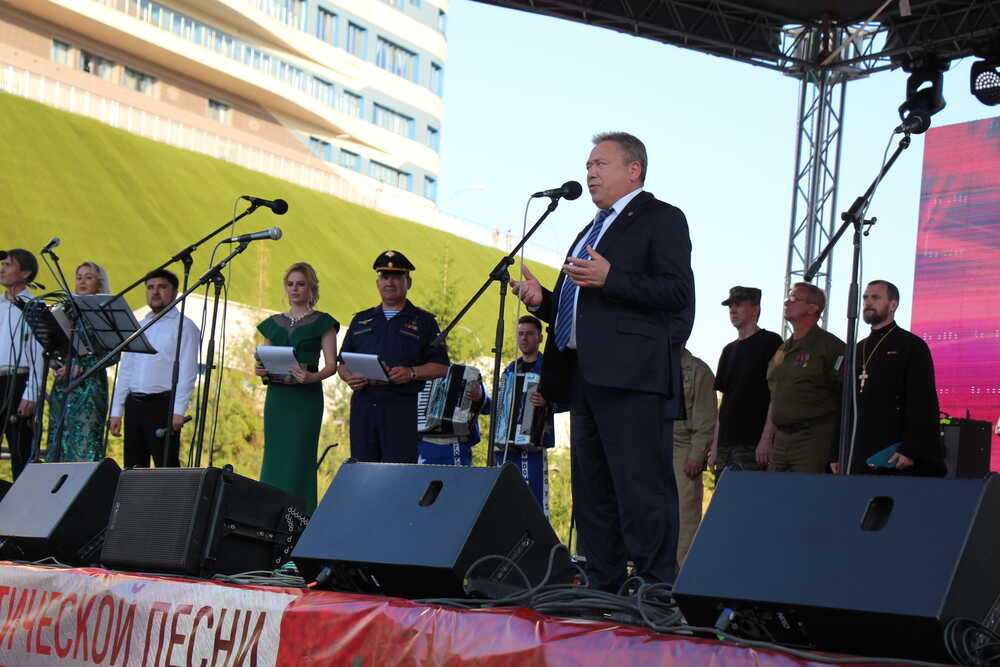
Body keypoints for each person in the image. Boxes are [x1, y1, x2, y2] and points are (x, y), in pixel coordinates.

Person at [511, 132, 694, 591]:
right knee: (592, 491)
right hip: (585, 377)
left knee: (640, 488)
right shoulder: (590, 229)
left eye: (600, 164)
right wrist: (543, 301)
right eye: (588, 165)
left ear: (634, 170)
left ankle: (654, 586)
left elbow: (677, 293)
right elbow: (583, 311)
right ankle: (603, 585)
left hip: (634, 378)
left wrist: (612, 277)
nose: (590, 173)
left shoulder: (661, 218)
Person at [338, 251, 449, 463]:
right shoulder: (361, 320)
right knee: (362, 470)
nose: (389, 283)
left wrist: (412, 372)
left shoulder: (424, 321)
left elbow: (441, 366)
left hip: (400, 407)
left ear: (409, 282)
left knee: (397, 471)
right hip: (363, 406)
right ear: (378, 283)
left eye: (397, 277)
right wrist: (348, 377)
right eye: (384, 277)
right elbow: (342, 364)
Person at [255, 262, 338, 514]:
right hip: (277, 398)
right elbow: (264, 358)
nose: (295, 289)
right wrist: (260, 369)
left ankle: (299, 519)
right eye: (290, 284)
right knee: (274, 456)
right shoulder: (273, 323)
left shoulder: (323, 322)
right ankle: (268, 515)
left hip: (305, 400)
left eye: (301, 284)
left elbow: (332, 365)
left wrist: (313, 377)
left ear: (311, 287)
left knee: (300, 458)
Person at [844, 280, 944, 476]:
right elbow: (845, 403)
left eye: (875, 297)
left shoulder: (912, 346)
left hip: (894, 448)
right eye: (865, 297)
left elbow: (923, 402)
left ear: (893, 305)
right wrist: (837, 452)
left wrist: (910, 449)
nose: (868, 302)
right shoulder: (857, 348)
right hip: (858, 447)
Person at [109, 269, 199, 468]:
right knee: (133, 467)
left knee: (165, 467)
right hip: (134, 404)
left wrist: (178, 410)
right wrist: (117, 410)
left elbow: (187, 372)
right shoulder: (138, 326)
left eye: (162, 287)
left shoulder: (184, 327)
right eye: (150, 287)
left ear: (175, 292)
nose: (155, 292)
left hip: (162, 405)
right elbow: (126, 370)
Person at [762, 282, 845, 474]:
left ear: (812, 308)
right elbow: (776, 394)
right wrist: (766, 438)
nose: (787, 302)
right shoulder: (783, 348)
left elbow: (844, 397)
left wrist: (837, 450)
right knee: (774, 490)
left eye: (794, 298)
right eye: (788, 297)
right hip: (781, 439)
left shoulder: (830, 346)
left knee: (806, 490)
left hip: (812, 439)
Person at [708, 286, 782, 476]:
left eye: (739, 304)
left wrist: (767, 438)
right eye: (730, 306)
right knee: (723, 494)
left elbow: (777, 394)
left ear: (755, 309)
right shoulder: (728, 350)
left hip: (753, 443)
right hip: (726, 444)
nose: (733, 310)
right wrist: (714, 447)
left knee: (751, 494)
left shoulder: (771, 342)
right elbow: (724, 402)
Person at [47, 262, 117, 462]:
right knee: (57, 442)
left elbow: (114, 354)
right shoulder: (66, 311)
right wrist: (57, 365)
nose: (82, 281)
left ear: (99, 283)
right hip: (63, 386)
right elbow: (53, 345)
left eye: (89, 277)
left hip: (89, 387)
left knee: (84, 445)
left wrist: (82, 367)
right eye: (79, 277)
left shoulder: (104, 313)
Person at [495, 315, 556, 516]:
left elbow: (568, 398)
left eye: (530, 334)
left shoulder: (549, 368)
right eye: (520, 334)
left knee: (535, 501)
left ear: (540, 338)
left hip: (535, 444)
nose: (524, 338)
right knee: (509, 502)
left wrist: (548, 400)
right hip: (508, 446)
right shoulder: (510, 370)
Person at [0, 249, 44, 479]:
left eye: (8, 265)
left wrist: (31, 393)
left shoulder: (34, 306)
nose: (2, 270)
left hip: (19, 381)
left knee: (20, 449)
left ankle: (23, 496)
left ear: (25, 273)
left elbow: (39, 352)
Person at [672, 346, 716, 566]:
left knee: (685, 517)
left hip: (684, 447)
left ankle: (681, 574)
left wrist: (697, 454)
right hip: (656, 445)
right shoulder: (654, 364)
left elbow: (707, 419)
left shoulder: (699, 370)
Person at [416, 367, 488, 467]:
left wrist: (479, 396)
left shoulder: (466, 373)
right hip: (422, 446)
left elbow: (489, 406)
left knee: (456, 477)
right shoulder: (414, 374)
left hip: (455, 446)